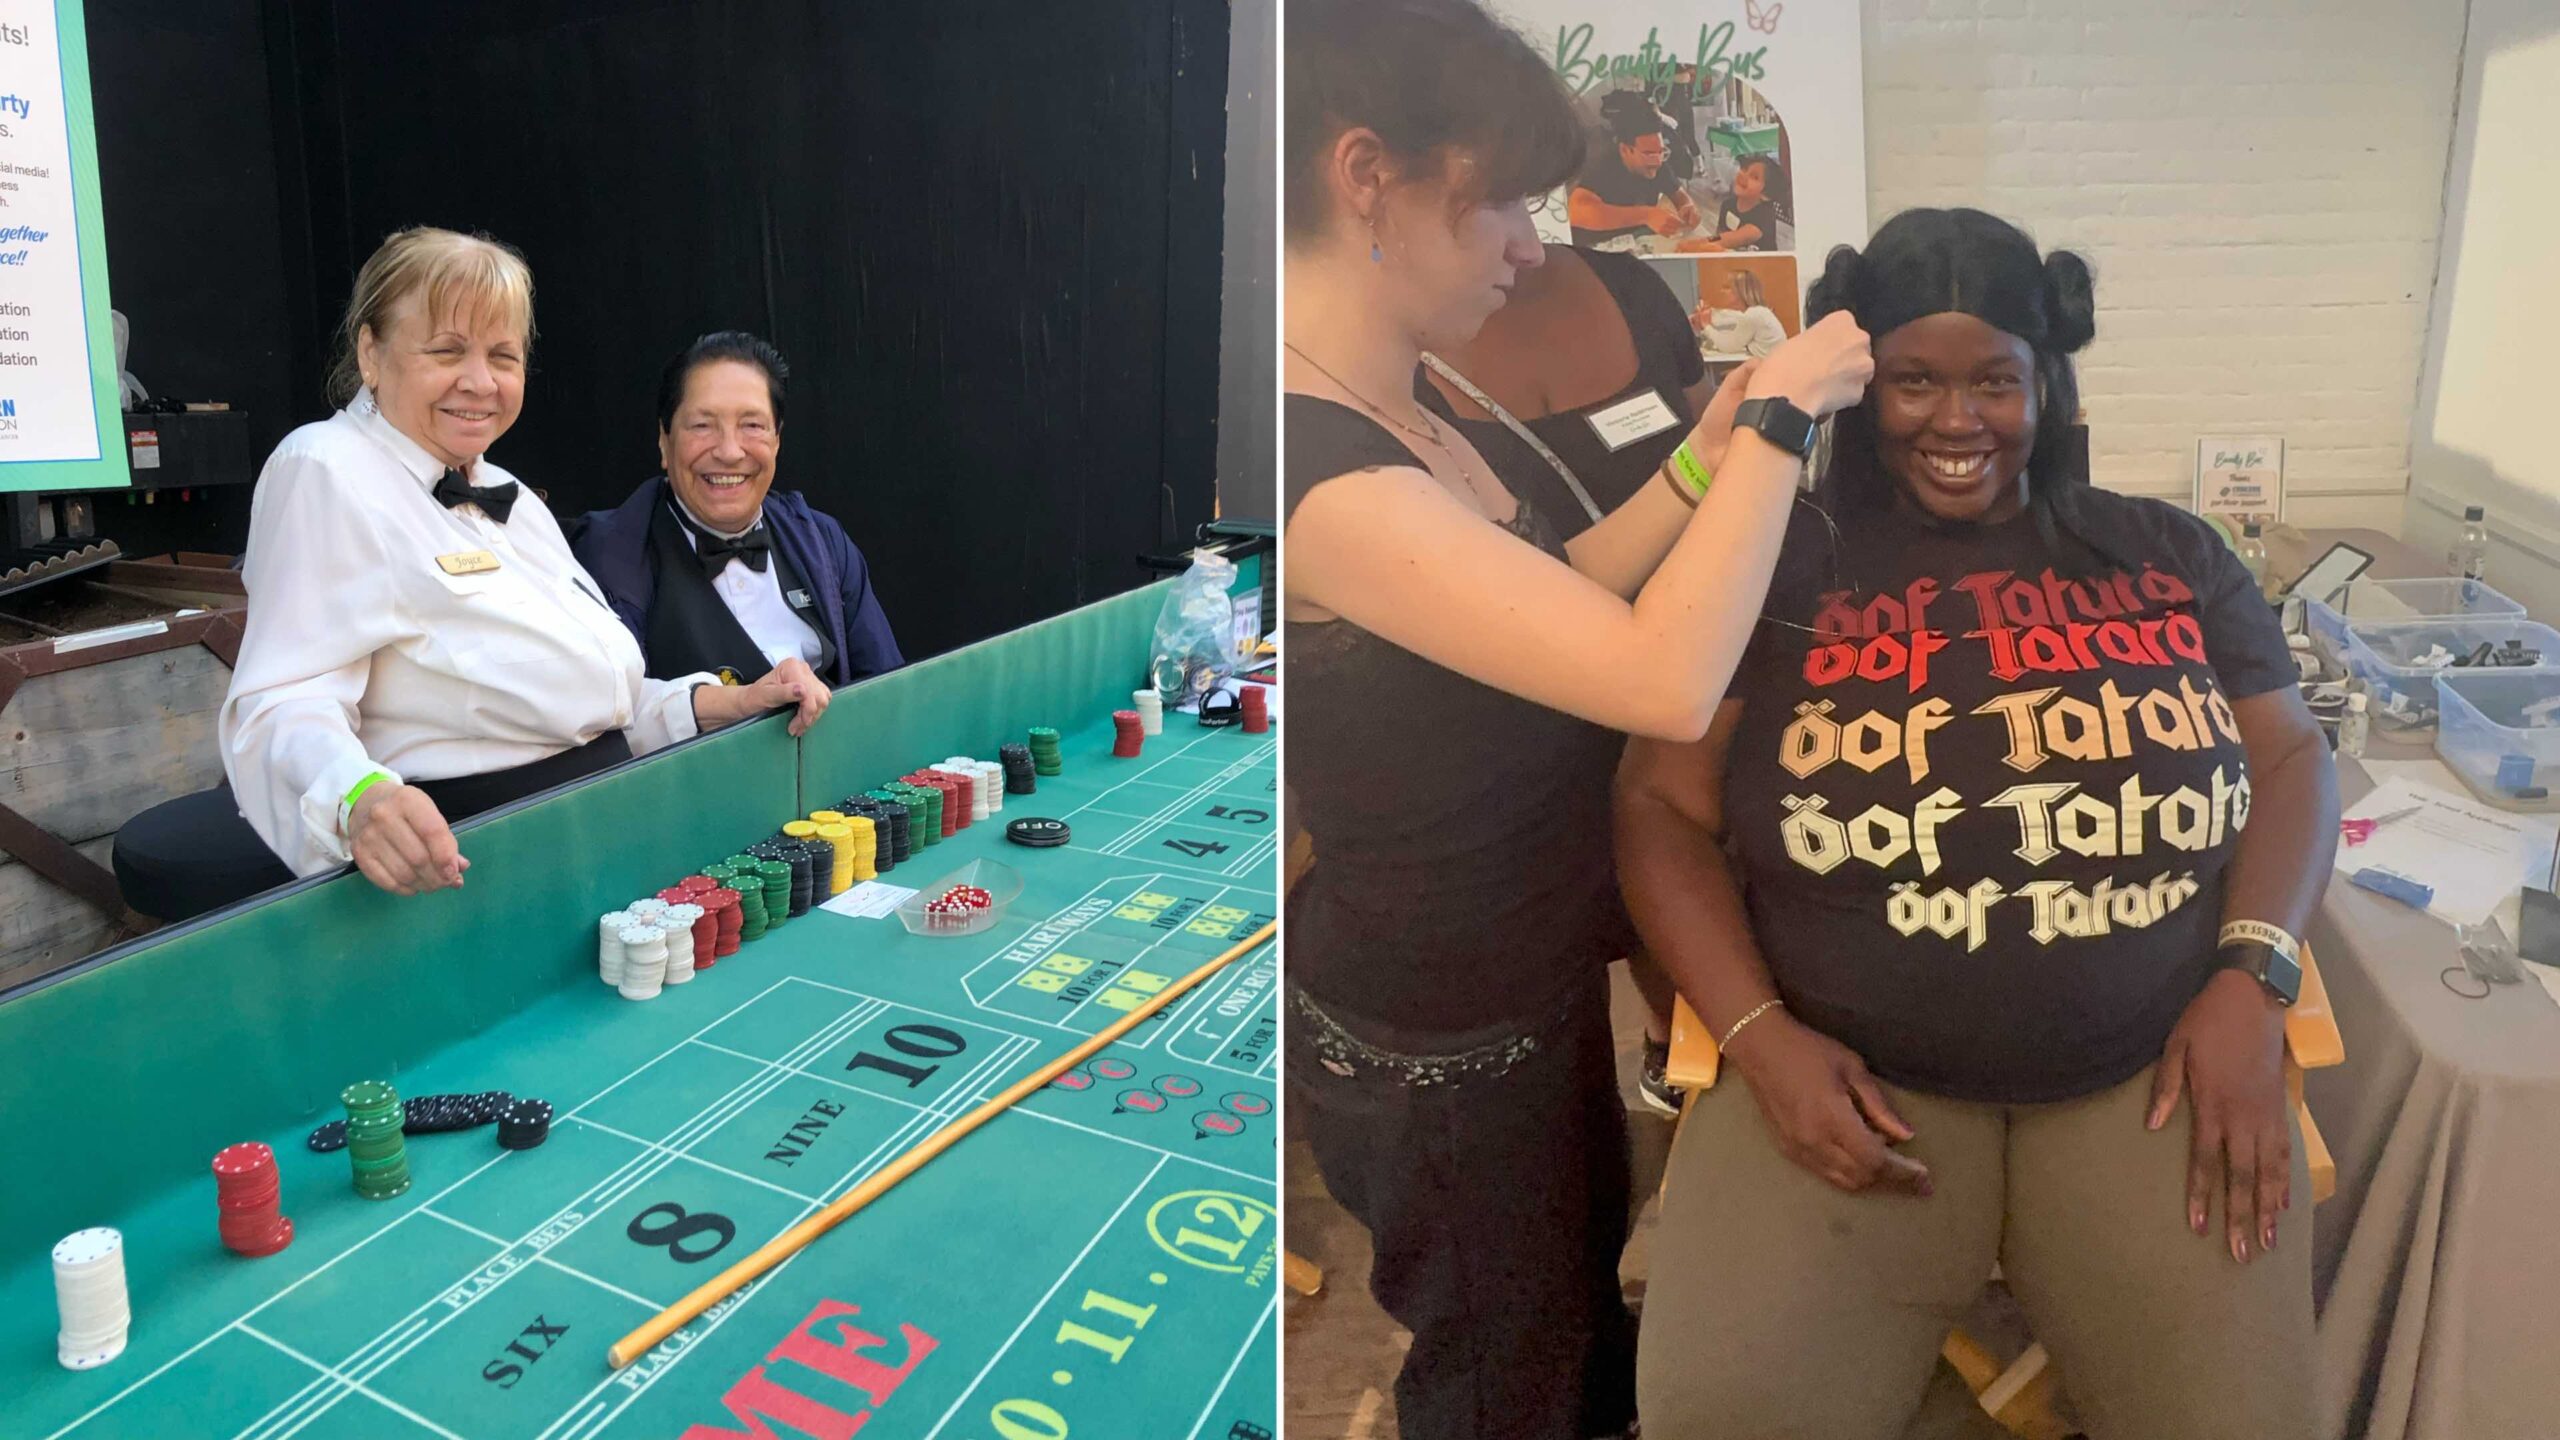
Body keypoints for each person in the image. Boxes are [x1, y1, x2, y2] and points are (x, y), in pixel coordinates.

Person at [1618, 208, 2334, 1439]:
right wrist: (1757, 1039)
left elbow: (2290, 754)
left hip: (2144, 1074)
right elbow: (1656, 805)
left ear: (2043, 386)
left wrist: (2252, 980)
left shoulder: (2164, 552)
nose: (1957, 421)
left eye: (1994, 381)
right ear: (1861, 385)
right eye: (1913, 382)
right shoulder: (1777, 559)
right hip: (1846, 1077)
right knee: (1720, 1415)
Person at [1284, 0, 1874, 1434]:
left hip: (1522, 994)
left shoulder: (1404, 406)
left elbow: (1549, 604)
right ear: (1371, 176)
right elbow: (1656, 677)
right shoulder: (1323, 474)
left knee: (1565, 1325)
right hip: (1438, 1037)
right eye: (1501, 205)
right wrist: (1782, 435)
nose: (1530, 247)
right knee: (1507, 1378)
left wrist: (1703, 459)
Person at [116, 229, 828, 920]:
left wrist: (717, 703)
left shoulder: (507, 495)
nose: (481, 382)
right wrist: (357, 795)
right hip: (477, 869)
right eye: (446, 350)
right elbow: (282, 701)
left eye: (503, 355)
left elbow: (589, 702)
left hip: (593, 840)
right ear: (371, 351)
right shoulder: (325, 468)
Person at [570, 331, 902, 689]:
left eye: (752, 426)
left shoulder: (823, 541)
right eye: (702, 425)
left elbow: (888, 691)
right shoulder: (604, 555)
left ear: (777, 439)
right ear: (664, 440)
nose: (729, 451)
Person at [1418, 243, 1716, 539]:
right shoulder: (1392, 388)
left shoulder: (1630, 284)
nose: (1530, 243)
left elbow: (1710, 431)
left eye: (1523, 198)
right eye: (1491, 203)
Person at [1565, 93, 1700, 249]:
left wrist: (1688, 207)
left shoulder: (1658, 163)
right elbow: (1576, 211)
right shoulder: (1602, 163)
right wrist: (1646, 215)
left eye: (1661, 151)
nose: (1657, 161)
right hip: (1592, 247)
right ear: (1625, 150)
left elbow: (1680, 196)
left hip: (1635, 244)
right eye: (1648, 153)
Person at [1695, 269, 1789, 360]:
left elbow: (1728, 346)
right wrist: (1707, 319)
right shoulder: (1757, 312)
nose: (1722, 291)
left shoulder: (1753, 315)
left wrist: (1705, 325)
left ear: (1740, 292)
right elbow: (1729, 322)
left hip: (1770, 366)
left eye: (1727, 287)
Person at [1696, 153, 1781, 252]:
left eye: (1754, 177)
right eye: (1744, 169)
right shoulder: (1727, 205)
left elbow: (1733, 238)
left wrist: (1701, 243)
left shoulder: (1764, 217)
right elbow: (1719, 236)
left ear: (1766, 195)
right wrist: (1705, 242)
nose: (1743, 175)